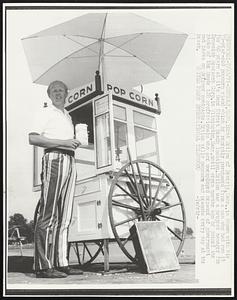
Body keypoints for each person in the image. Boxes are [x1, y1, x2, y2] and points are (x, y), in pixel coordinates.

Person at [29, 80, 83, 278]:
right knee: (48, 213)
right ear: (49, 95)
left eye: (61, 90)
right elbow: (33, 138)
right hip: (54, 158)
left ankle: (61, 262)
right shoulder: (45, 112)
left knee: (65, 216)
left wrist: (72, 143)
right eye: (54, 90)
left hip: (70, 161)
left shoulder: (67, 116)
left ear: (67, 93)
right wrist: (64, 142)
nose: (58, 93)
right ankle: (42, 266)